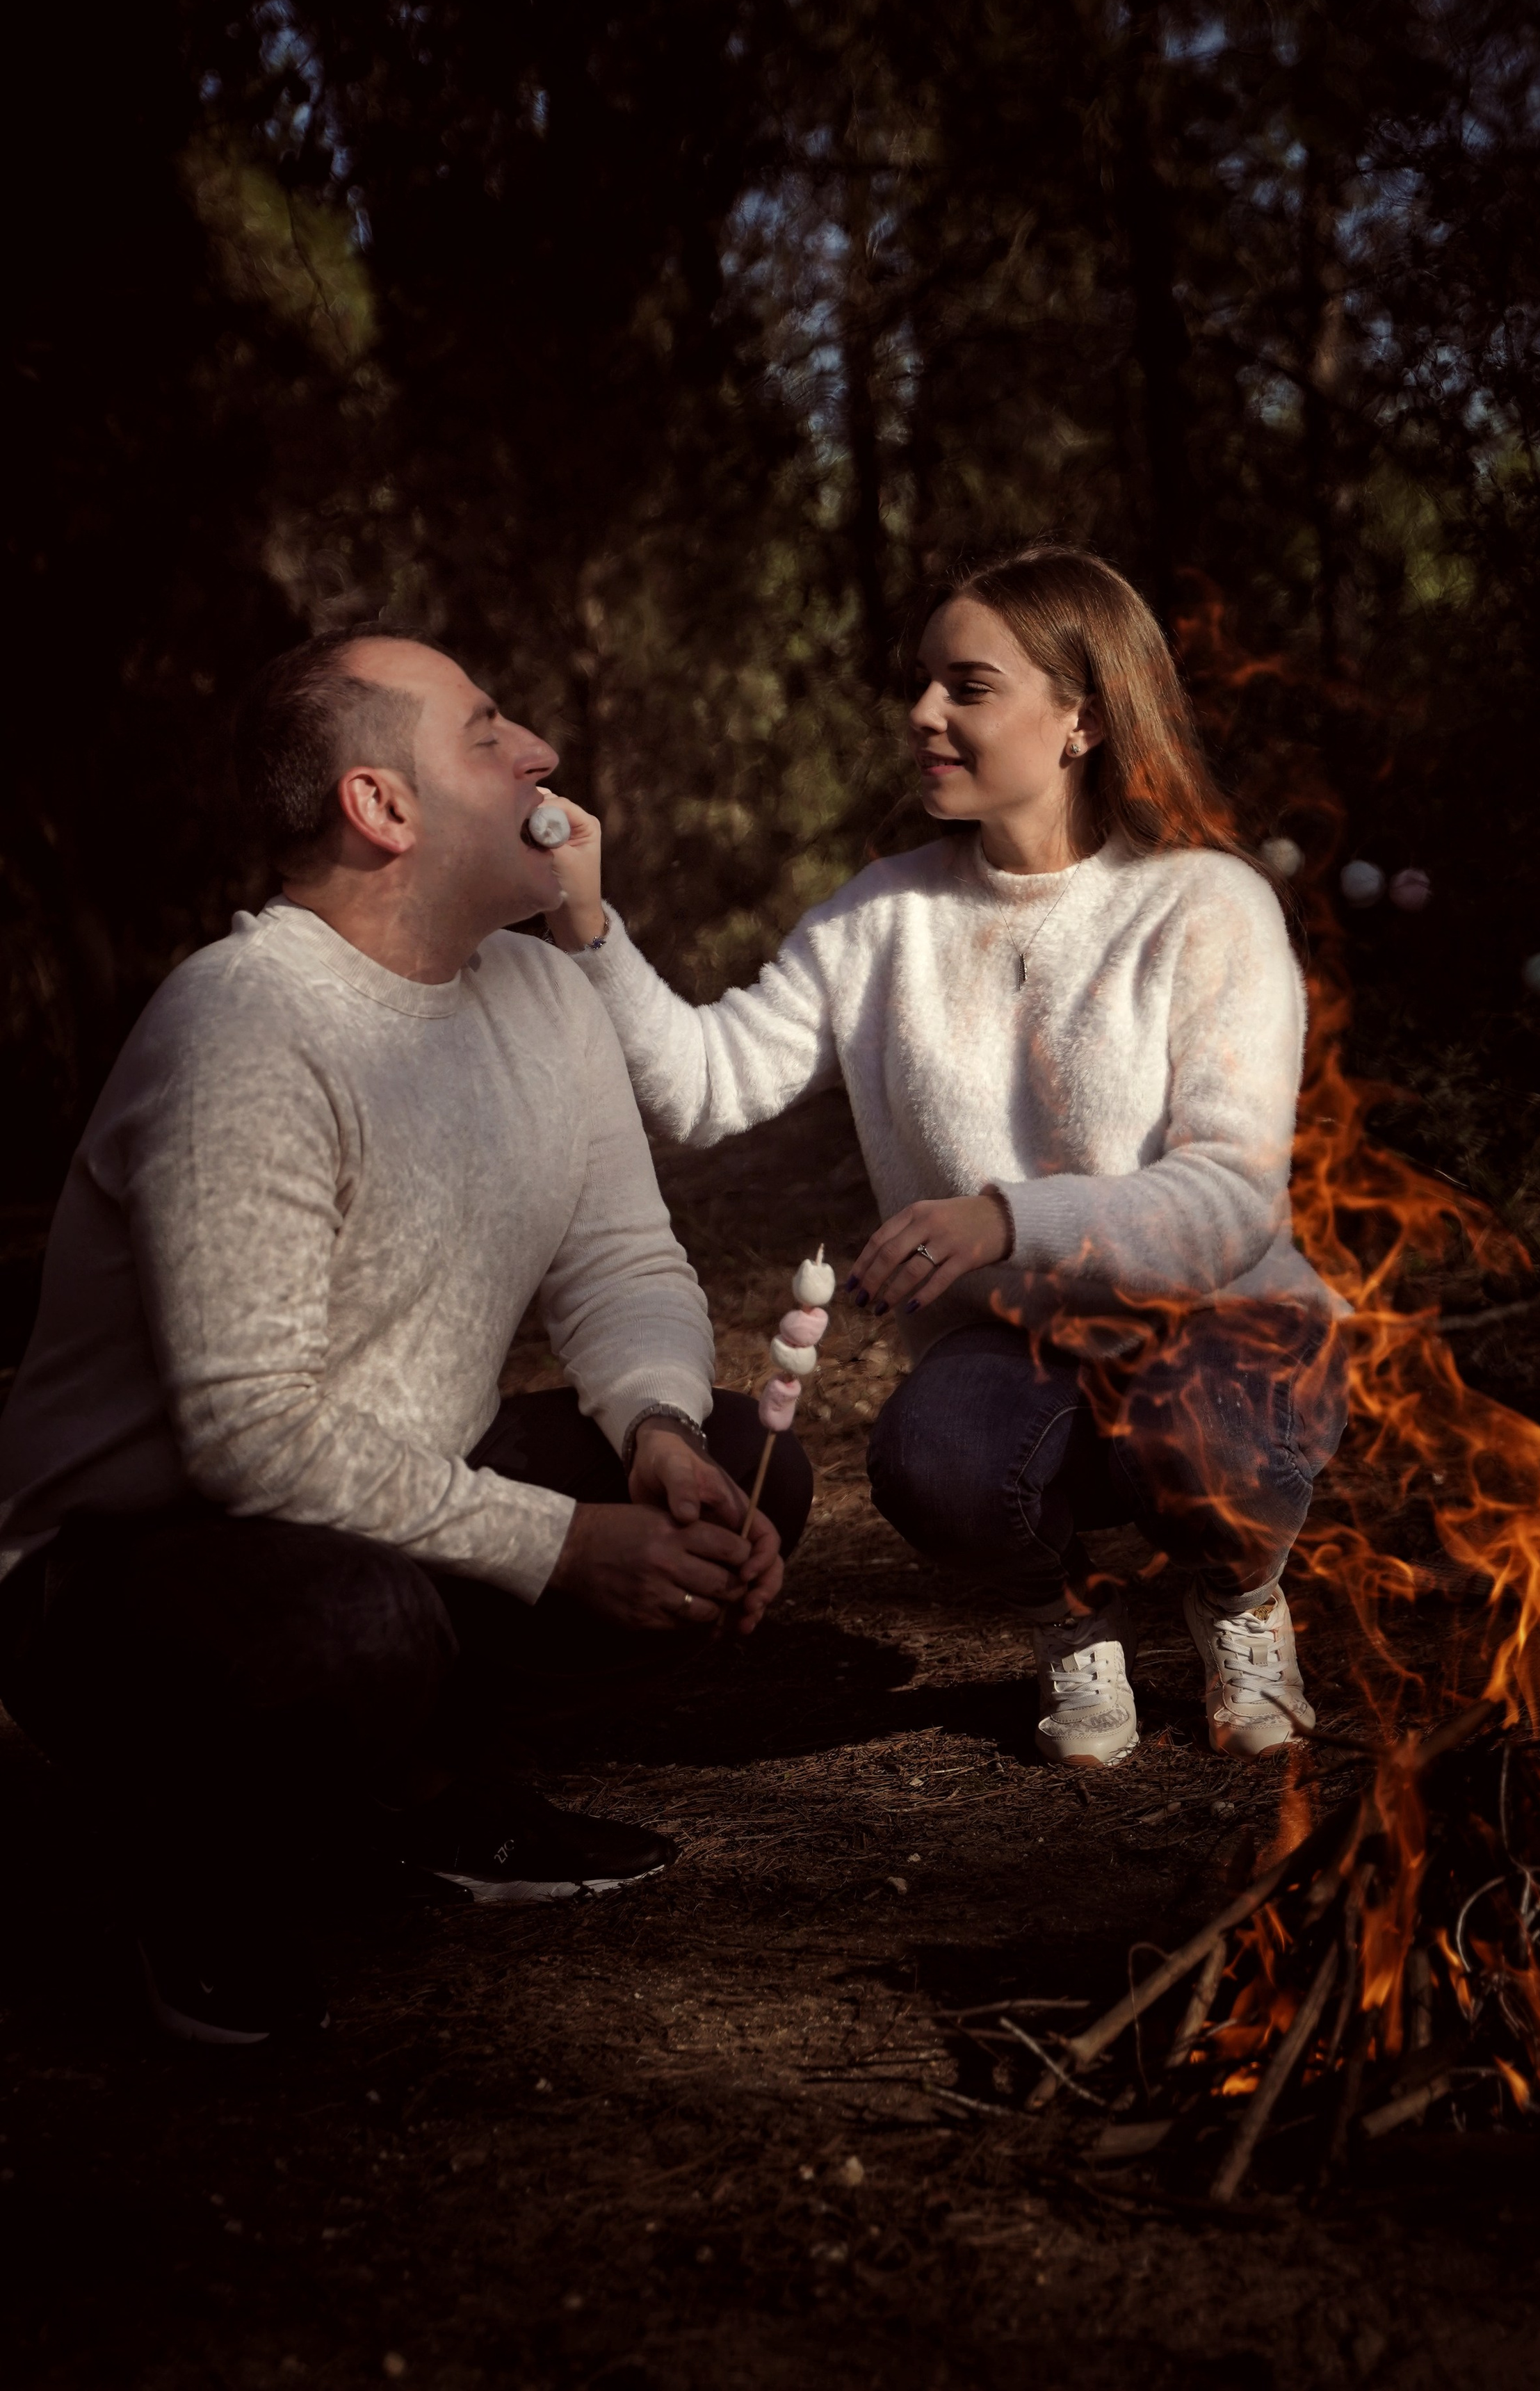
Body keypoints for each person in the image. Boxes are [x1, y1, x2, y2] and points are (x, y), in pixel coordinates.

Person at [0, 630, 810, 2045]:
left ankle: (434, 1796)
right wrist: (561, 1543)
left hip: (382, 1491)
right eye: (489, 731)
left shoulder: (545, 993)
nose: (541, 754)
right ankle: (194, 1871)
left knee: (753, 1474)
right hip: (126, 1566)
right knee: (355, 1627)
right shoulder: (245, 1023)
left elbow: (621, 1257)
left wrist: (660, 1435)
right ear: (382, 808)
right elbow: (247, 1432)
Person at [540, 547, 1347, 1769]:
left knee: (1212, 1435)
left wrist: (1001, 1218)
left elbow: (1233, 1199)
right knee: (931, 1458)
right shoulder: (880, 919)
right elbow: (703, 1087)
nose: (923, 715)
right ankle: (1070, 1620)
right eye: (921, 683)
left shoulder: (1208, 904)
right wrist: (585, 925)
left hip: (1225, 1322)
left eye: (967, 686)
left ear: (1080, 718)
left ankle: (1239, 1601)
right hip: (1016, 1347)